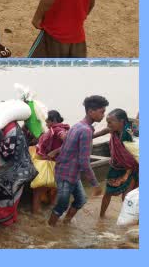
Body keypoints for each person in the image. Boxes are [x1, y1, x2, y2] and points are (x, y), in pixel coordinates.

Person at [49, 95, 108, 225]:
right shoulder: (85, 131)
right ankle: (48, 232)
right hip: (66, 174)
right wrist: (95, 184)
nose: (103, 115)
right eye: (102, 111)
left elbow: (66, 146)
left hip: (69, 172)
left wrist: (55, 151)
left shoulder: (77, 125)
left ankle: (65, 225)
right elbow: (84, 162)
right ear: (91, 111)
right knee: (61, 207)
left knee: (81, 200)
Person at [0, 117, 37, 226]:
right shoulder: (13, 126)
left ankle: (6, 226)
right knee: (13, 200)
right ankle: (11, 224)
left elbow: (6, 154)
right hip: (19, 171)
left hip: (10, 175)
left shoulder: (11, 130)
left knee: (5, 202)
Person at [100, 108, 138, 218]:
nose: (108, 125)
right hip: (115, 166)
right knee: (107, 192)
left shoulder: (130, 133)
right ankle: (101, 217)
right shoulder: (114, 130)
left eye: (110, 122)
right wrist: (92, 136)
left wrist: (126, 175)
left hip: (131, 168)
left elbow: (134, 155)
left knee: (127, 196)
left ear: (121, 122)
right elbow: (106, 130)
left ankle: (127, 218)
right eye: (107, 122)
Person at [32, 110, 69, 213]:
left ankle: (35, 214)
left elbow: (69, 141)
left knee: (37, 191)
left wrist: (55, 151)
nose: (47, 125)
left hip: (51, 163)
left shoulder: (57, 130)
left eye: (48, 122)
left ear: (53, 121)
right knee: (54, 189)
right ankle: (51, 210)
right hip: (59, 164)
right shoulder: (62, 129)